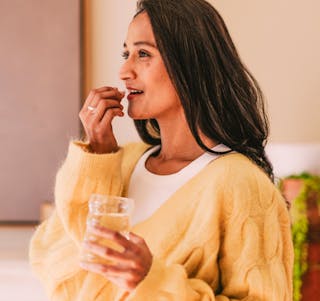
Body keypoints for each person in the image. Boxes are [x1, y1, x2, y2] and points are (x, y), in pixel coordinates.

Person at [29, 0, 293, 300]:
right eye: (125, 53)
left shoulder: (242, 185)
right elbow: (55, 255)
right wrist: (98, 155)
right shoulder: (123, 161)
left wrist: (153, 281)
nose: (124, 70)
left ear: (191, 65)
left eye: (143, 54)